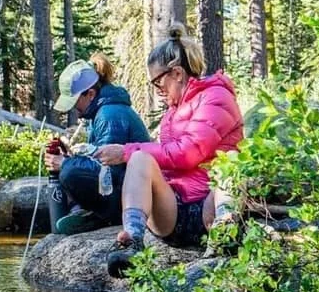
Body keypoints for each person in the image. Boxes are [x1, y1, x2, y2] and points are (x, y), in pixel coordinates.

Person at [89, 24, 243, 276]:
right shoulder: (172, 112)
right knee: (140, 159)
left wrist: (124, 151)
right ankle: (132, 240)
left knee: (233, 160)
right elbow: (164, 159)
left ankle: (226, 231)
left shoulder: (217, 97)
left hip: (209, 204)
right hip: (172, 213)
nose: (157, 91)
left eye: (158, 83)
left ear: (178, 74)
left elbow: (189, 152)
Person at [44, 53, 151, 234]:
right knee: (71, 168)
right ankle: (96, 213)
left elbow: (108, 172)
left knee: (71, 173)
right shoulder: (101, 112)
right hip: (122, 188)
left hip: (131, 195)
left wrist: (65, 164)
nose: (73, 108)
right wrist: (71, 157)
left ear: (91, 94)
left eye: (75, 101)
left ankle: (107, 216)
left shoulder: (110, 115)